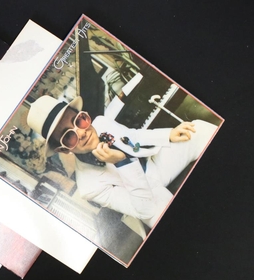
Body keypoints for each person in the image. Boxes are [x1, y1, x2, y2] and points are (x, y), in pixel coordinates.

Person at [27, 95, 217, 228]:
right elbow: (146, 210)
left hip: (154, 166)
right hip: (148, 197)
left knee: (198, 130)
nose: (82, 132)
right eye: (68, 136)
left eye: (79, 121)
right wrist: (122, 162)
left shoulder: (101, 122)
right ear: (63, 149)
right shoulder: (89, 187)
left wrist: (168, 134)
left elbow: (133, 136)